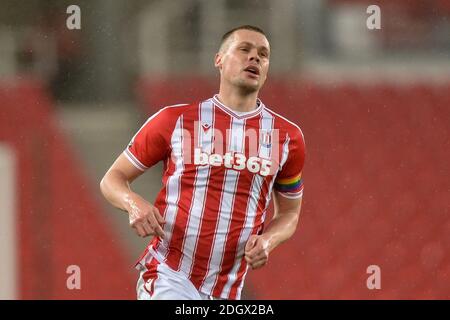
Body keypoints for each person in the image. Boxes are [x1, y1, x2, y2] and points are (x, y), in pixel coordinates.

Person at [100, 25, 306, 300]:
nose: (254, 58)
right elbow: (112, 179)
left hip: (228, 289)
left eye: (263, 54)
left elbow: (289, 214)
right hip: (168, 273)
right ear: (219, 59)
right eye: (244, 49)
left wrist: (268, 240)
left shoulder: (287, 138)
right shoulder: (174, 120)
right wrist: (133, 203)